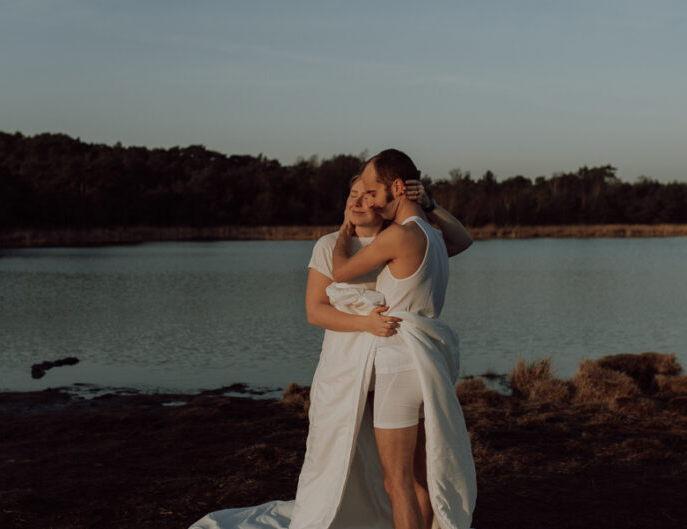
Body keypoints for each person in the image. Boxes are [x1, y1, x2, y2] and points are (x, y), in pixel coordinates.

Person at [189, 166, 475, 529]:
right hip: (348, 367)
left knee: (400, 471)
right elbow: (315, 310)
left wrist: (428, 203)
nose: (359, 201)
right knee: (338, 450)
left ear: (383, 200)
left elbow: (461, 240)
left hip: (391, 365)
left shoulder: (399, 238)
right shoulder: (329, 245)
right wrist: (364, 321)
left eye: (367, 194)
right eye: (352, 195)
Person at [331, 149, 476, 529]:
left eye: (375, 192)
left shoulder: (399, 236)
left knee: (396, 483)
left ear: (397, 187)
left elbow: (342, 272)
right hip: (427, 367)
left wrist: (345, 231)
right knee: (419, 478)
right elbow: (464, 239)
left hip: (397, 366)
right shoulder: (432, 235)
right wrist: (429, 204)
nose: (373, 202)